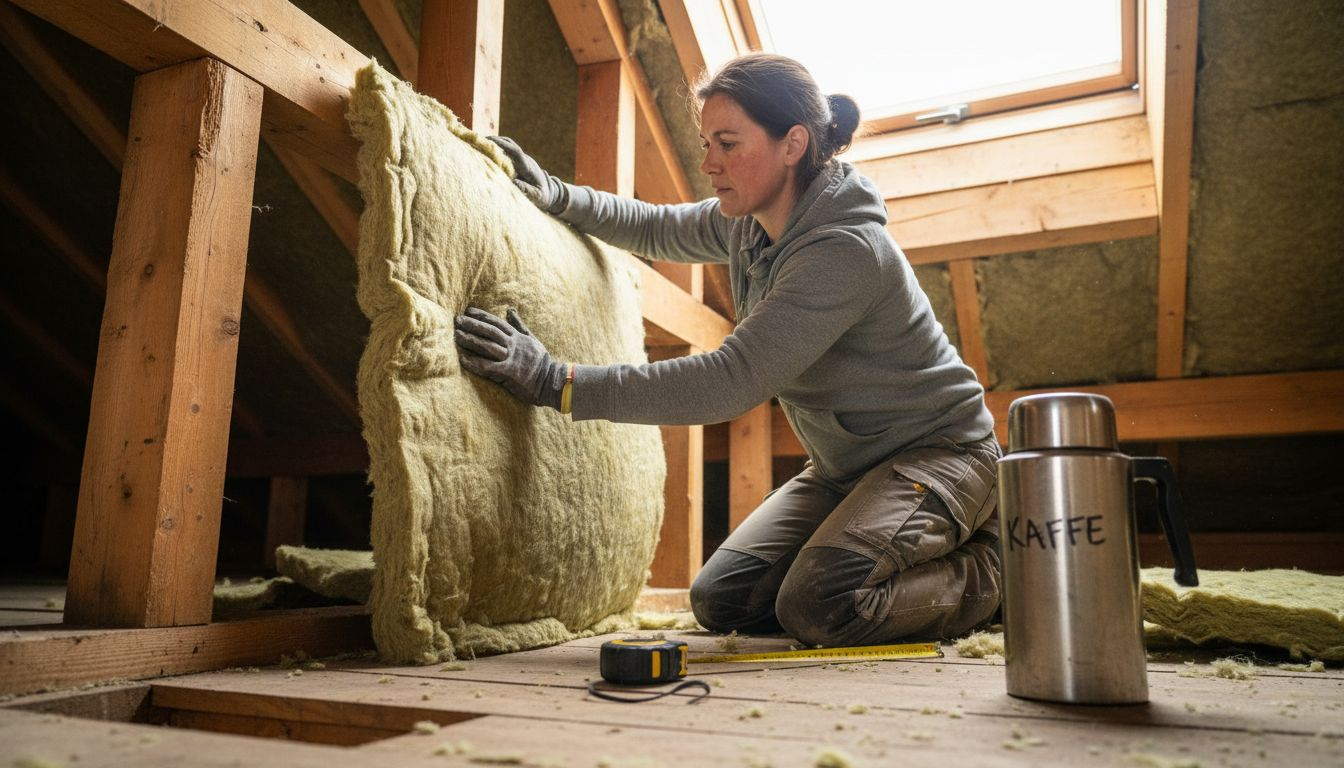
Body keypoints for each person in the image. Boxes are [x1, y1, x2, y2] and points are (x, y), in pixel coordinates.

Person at [453, 53, 1001, 647]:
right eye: (706, 141)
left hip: (939, 457)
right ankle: (882, 554)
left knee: (822, 604)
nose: (709, 162)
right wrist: (558, 196)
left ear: (793, 144)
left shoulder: (843, 250)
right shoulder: (750, 221)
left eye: (728, 143)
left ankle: (995, 575)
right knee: (723, 600)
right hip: (847, 470)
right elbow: (657, 227)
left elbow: (730, 379)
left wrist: (555, 381)